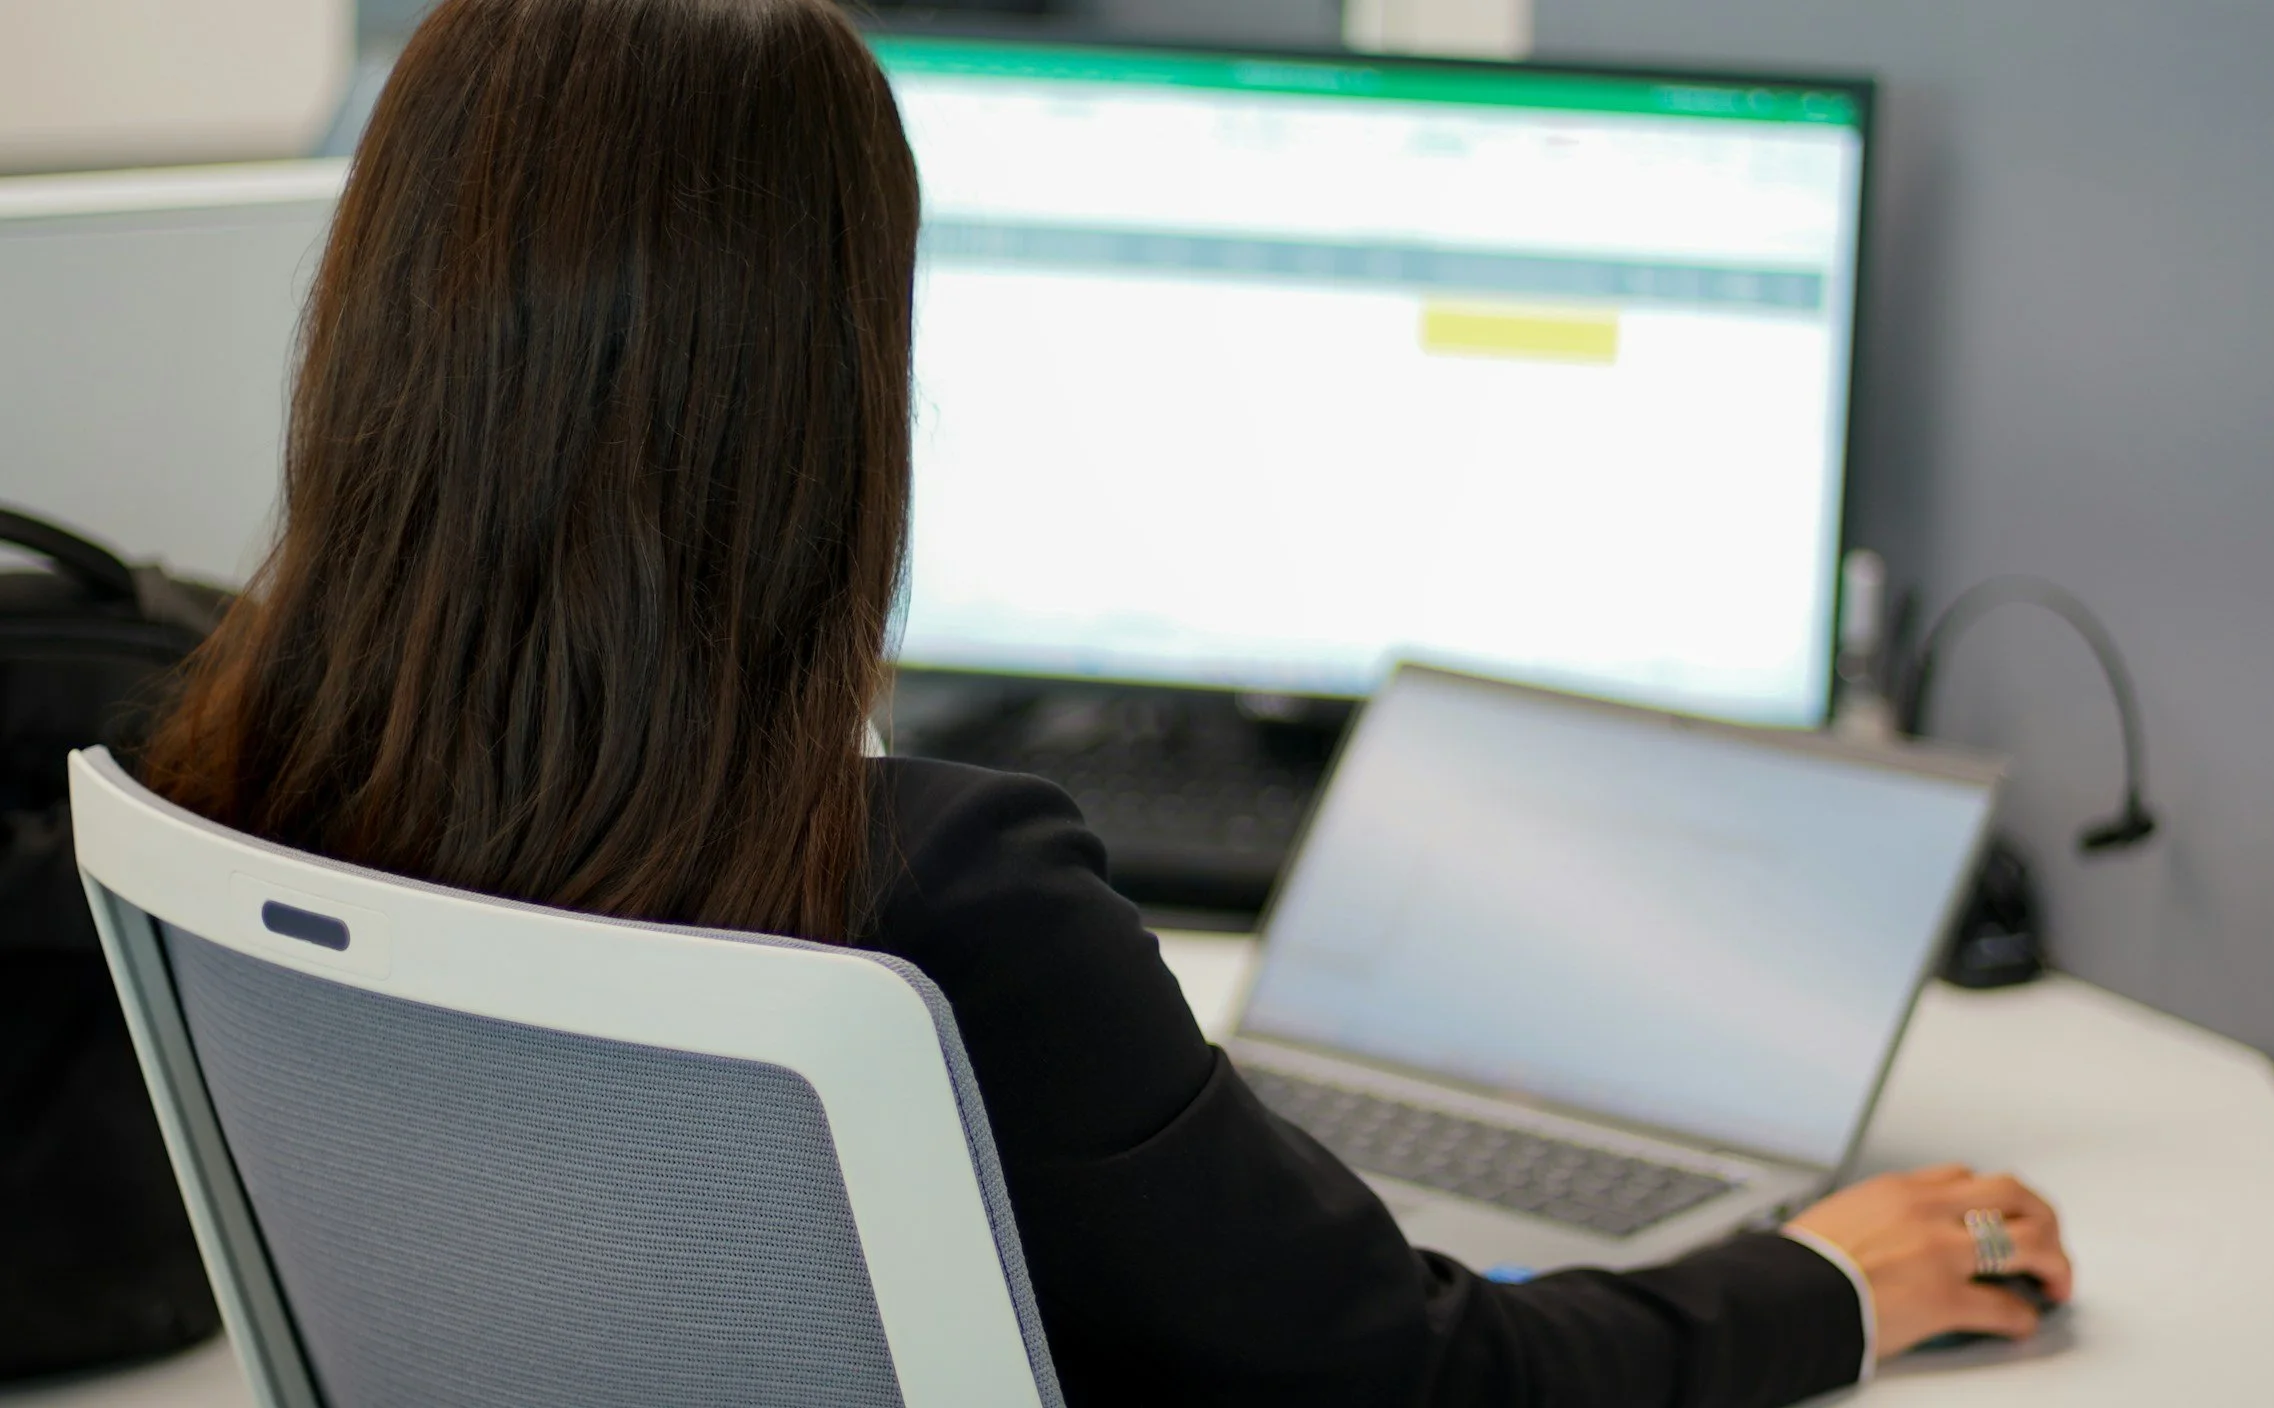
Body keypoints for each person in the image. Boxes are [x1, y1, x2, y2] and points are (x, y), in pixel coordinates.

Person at [142, 1, 2074, 1403]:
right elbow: (1419, 1385)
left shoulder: (239, 777)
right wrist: (1829, 1280)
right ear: (827, 400)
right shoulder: (943, 898)